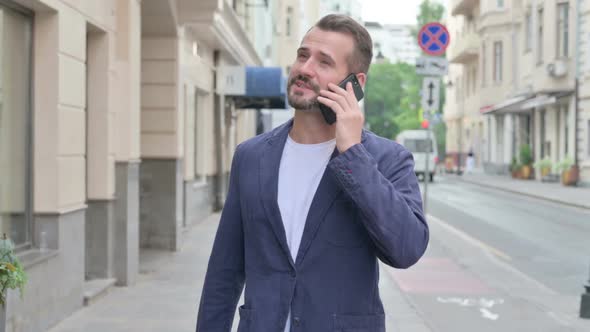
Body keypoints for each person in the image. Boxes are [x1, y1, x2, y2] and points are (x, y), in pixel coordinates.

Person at [196, 14, 429, 332]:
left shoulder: (386, 159)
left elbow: (407, 249)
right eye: (303, 55)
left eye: (324, 62)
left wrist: (353, 155)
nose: (304, 69)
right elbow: (224, 271)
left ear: (355, 84)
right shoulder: (251, 157)